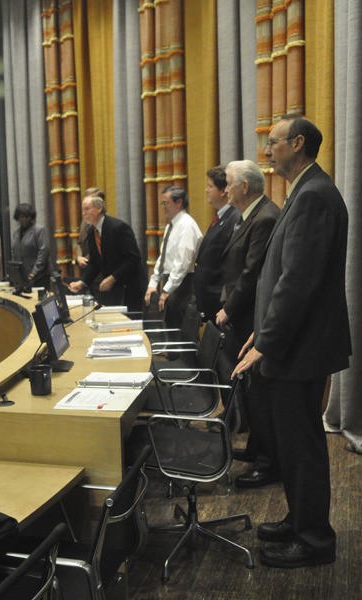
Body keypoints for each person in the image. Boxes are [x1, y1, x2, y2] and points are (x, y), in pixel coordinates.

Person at [232, 115, 351, 568]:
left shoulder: (314, 196)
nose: (267, 149)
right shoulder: (306, 190)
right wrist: (260, 332)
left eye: (274, 141)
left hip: (299, 348)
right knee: (293, 442)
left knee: (302, 446)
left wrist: (268, 341)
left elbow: (297, 283)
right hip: (291, 343)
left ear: (297, 144)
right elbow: (281, 276)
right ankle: (299, 519)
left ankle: (314, 540)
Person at [213, 160, 279, 479]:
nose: (224, 189)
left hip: (252, 317)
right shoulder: (250, 214)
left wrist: (229, 308)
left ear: (244, 187)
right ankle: (257, 447)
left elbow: (251, 273)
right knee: (250, 390)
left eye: (228, 183)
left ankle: (267, 462)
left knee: (258, 390)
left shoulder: (264, 216)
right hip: (245, 315)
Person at [68, 193, 147, 311]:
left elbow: (133, 259)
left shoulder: (118, 227)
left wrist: (113, 277)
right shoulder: (91, 232)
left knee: (127, 325)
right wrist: (83, 282)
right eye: (82, 210)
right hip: (113, 289)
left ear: (99, 208)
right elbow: (94, 263)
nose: (84, 213)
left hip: (130, 286)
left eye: (87, 209)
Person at [145, 186, 203, 328]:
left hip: (183, 286)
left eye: (166, 203)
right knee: (171, 328)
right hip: (172, 283)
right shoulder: (172, 225)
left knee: (181, 331)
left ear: (179, 203)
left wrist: (167, 290)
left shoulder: (186, 225)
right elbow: (163, 258)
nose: (163, 207)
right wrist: (153, 283)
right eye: (162, 203)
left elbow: (183, 263)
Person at [194, 166, 239, 322]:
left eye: (210, 186)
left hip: (218, 299)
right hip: (208, 298)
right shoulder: (221, 216)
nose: (206, 190)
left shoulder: (234, 217)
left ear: (223, 191)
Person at [11, 203, 50, 289]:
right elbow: (14, 252)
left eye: (27, 217)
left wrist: (34, 272)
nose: (24, 219)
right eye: (21, 217)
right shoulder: (16, 232)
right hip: (22, 277)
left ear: (32, 217)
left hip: (38, 277)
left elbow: (43, 252)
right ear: (18, 217)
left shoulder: (39, 230)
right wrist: (16, 272)